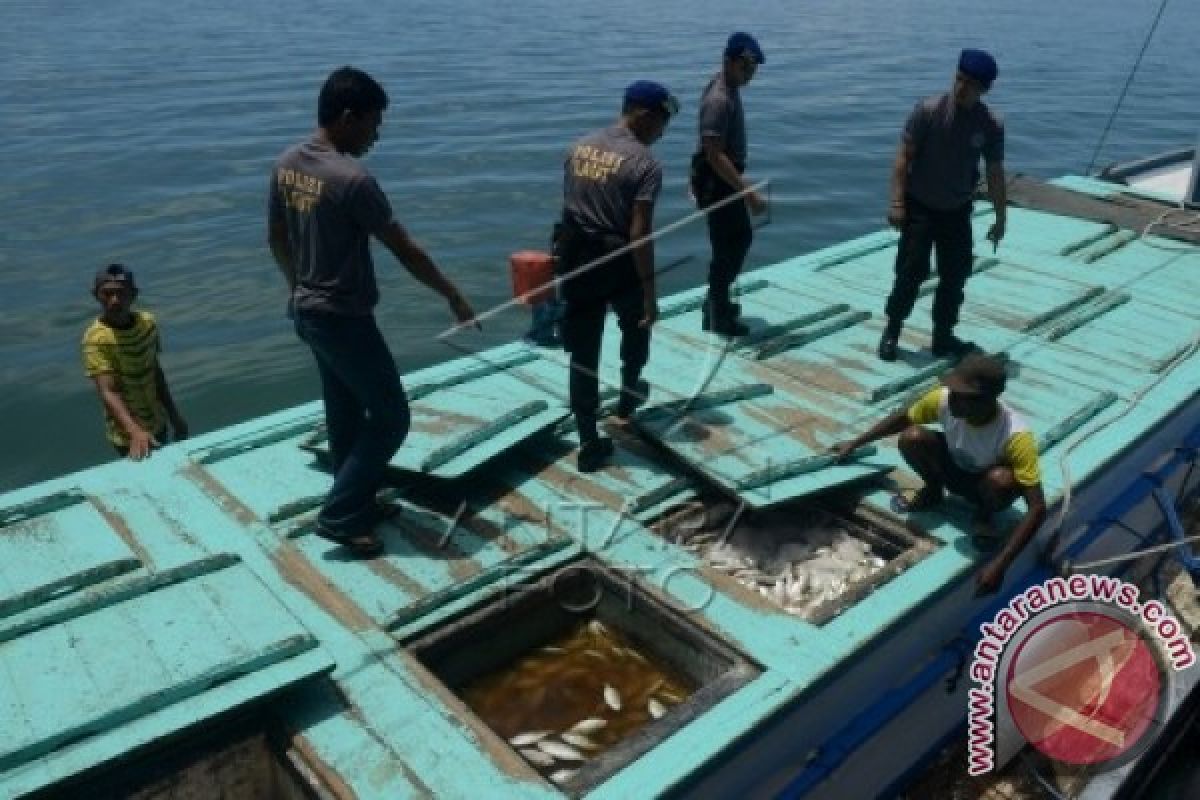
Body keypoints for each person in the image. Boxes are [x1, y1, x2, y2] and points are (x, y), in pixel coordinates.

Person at [268, 66, 477, 557]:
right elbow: (405, 250)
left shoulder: (287, 164)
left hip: (306, 310)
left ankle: (356, 500)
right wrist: (452, 294)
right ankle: (340, 515)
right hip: (343, 317)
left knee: (344, 412)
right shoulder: (352, 179)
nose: (376, 135)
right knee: (390, 418)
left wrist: (296, 288)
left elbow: (277, 238)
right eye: (372, 123)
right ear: (346, 117)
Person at [831, 353, 1046, 595]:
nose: (952, 399)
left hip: (983, 486)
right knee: (912, 437)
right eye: (952, 391)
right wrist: (855, 443)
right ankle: (933, 490)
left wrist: (1001, 565)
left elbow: (1037, 508)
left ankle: (983, 516)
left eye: (962, 396)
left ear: (987, 400)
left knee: (1002, 481)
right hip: (951, 469)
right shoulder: (943, 400)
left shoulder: (1016, 435)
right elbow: (903, 418)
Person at [557, 80, 676, 472]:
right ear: (643, 115)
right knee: (637, 323)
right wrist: (650, 293)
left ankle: (589, 440)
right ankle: (627, 400)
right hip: (616, 258)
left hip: (575, 258)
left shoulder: (577, 147)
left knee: (583, 352)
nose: (663, 131)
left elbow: (571, 208)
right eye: (662, 121)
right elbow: (640, 234)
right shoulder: (645, 164)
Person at [877, 48, 1007, 362]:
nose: (961, 88)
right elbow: (902, 158)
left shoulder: (990, 125)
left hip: (957, 210)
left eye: (970, 84)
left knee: (955, 275)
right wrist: (896, 203)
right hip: (920, 206)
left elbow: (994, 172)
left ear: (984, 89)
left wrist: (1001, 217)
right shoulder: (928, 111)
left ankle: (943, 337)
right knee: (911, 272)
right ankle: (892, 330)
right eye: (959, 79)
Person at [691, 32, 768, 337]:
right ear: (729, 62)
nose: (750, 75)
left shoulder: (728, 86)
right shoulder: (719, 98)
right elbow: (712, 153)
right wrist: (747, 191)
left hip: (723, 176)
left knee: (735, 241)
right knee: (730, 245)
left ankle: (716, 301)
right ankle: (717, 314)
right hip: (719, 180)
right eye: (745, 68)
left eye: (753, 69)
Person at [82, 264, 188, 460]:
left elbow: (155, 372)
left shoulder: (147, 323)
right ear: (95, 295)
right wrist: (134, 432)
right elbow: (108, 391)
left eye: (121, 293)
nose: (114, 301)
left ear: (134, 295)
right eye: (107, 294)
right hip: (127, 435)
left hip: (158, 422)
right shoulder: (95, 339)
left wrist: (175, 416)